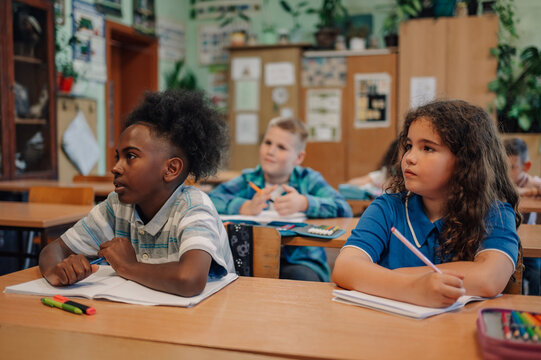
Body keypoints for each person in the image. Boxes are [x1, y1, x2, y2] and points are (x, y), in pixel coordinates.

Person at [39, 89, 235, 297]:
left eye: (130, 156)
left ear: (171, 169)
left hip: (205, 319)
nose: (116, 168)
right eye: (117, 157)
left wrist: (128, 266)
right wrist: (57, 271)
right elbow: (53, 250)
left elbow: (190, 279)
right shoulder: (117, 207)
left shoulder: (193, 207)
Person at [332, 100, 520, 307]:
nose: (410, 158)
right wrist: (414, 288)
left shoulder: (495, 213)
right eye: (409, 146)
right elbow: (345, 267)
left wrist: (388, 277)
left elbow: (488, 278)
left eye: (428, 148)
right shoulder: (386, 208)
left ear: (466, 161)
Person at [209, 117, 352, 282]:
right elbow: (211, 199)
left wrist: (304, 203)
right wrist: (244, 206)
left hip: (300, 261)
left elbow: (343, 207)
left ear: (298, 157)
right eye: (267, 143)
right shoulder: (249, 178)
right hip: (250, 259)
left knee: (300, 280)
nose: (271, 151)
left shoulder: (308, 179)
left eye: (281, 147)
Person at [504, 137, 540, 295]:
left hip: (528, 247)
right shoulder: (499, 184)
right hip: (508, 243)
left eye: (511, 167)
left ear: (526, 166)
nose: (506, 172)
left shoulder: (533, 183)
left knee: (536, 274)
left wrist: (527, 191)